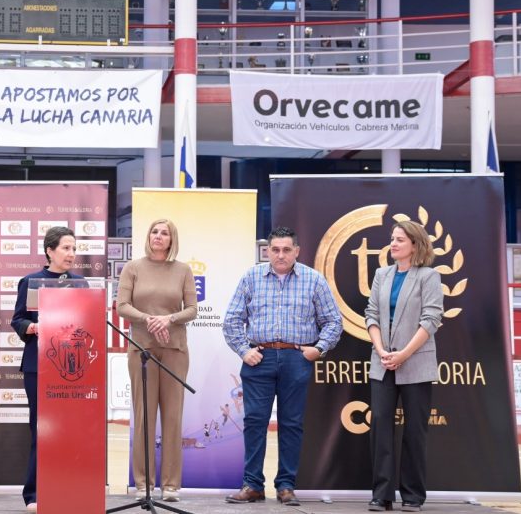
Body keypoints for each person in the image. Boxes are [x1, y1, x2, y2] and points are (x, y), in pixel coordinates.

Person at [223, 226, 343, 507]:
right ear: (267, 251)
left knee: (291, 424)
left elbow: (334, 322)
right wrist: (244, 350)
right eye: (275, 249)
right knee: (254, 423)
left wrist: (319, 349)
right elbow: (231, 320)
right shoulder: (251, 278)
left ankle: (286, 485)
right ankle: (252, 484)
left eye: (286, 250)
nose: (280, 255)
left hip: (296, 359)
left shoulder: (313, 280)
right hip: (259, 359)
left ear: (297, 252)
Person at [116, 218, 197, 503]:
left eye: (164, 233)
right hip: (141, 350)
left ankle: (171, 485)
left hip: (175, 350)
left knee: (173, 418)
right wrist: (149, 319)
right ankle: (144, 484)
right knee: (144, 417)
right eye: (154, 231)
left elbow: (192, 310)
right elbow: (122, 307)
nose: (158, 236)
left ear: (172, 239)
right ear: (148, 237)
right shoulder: (133, 268)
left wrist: (169, 318)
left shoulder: (183, 270)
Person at [365, 221, 443, 513]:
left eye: (399, 239)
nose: (393, 244)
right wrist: (382, 350)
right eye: (392, 239)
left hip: (416, 364)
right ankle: (381, 495)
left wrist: (404, 354)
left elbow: (431, 320)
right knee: (381, 429)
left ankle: (412, 496)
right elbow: (371, 314)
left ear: (415, 244)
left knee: (414, 432)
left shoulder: (429, 276)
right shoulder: (381, 274)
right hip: (383, 362)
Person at [11, 226, 82, 513]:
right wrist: (31, 326)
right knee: (42, 431)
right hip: (38, 365)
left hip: (72, 367)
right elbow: (17, 320)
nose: (71, 254)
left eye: (74, 249)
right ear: (50, 250)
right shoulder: (31, 281)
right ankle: (34, 494)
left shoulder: (80, 284)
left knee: (68, 431)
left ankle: (68, 488)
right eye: (66, 248)